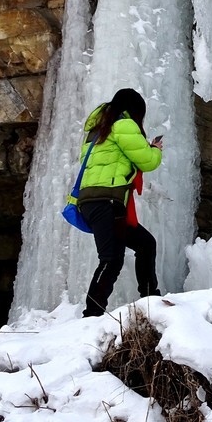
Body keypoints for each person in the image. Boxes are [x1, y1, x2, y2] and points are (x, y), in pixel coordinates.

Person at [76, 88, 165, 317]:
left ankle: (149, 299)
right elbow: (146, 161)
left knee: (145, 244)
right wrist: (155, 150)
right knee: (111, 259)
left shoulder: (98, 130)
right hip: (107, 201)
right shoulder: (123, 125)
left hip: (92, 201)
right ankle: (91, 314)